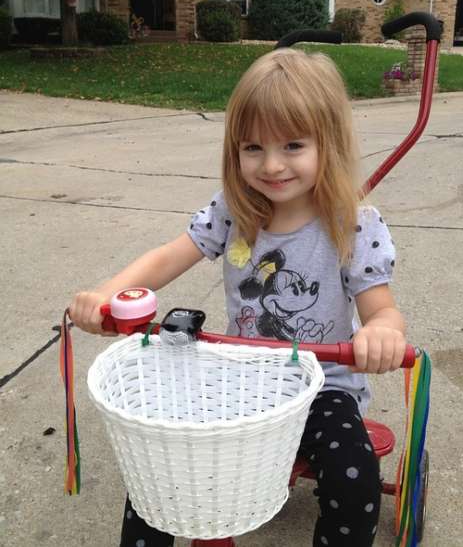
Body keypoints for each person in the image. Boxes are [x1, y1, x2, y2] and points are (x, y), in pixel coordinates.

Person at [70, 48, 406, 547]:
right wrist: (107, 292)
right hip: (243, 381)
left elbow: (381, 309)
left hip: (324, 387)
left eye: (293, 145)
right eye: (253, 148)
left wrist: (382, 333)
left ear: (328, 144)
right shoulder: (234, 210)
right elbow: (169, 256)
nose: (271, 166)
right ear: (235, 150)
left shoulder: (353, 225)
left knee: (353, 474)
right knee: (161, 464)